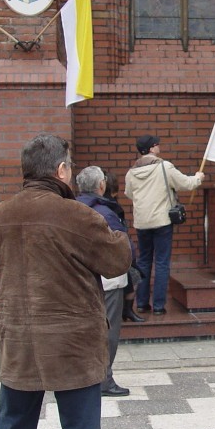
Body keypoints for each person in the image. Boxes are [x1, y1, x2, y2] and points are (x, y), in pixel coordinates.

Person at [0, 134, 129, 429]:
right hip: (72, 346)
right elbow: (117, 261)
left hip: (19, 346)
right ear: (61, 170)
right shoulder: (76, 216)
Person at [125, 135, 204, 315]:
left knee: (144, 262)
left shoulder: (131, 173)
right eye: (156, 145)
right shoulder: (164, 167)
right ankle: (159, 306)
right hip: (162, 221)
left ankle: (142, 304)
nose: (159, 147)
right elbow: (186, 183)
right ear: (152, 149)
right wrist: (198, 177)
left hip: (142, 222)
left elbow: (129, 194)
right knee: (161, 263)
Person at [76, 166, 132, 397]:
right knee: (109, 331)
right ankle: (104, 380)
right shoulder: (106, 213)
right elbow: (123, 248)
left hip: (80, 277)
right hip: (108, 280)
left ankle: (84, 376)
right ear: (101, 186)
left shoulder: (72, 208)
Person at [102, 169, 144, 323]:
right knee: (133, 277)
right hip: (117, 255)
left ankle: (127, 311)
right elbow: (121, 232)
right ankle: (127, 311)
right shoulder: (112, 207)